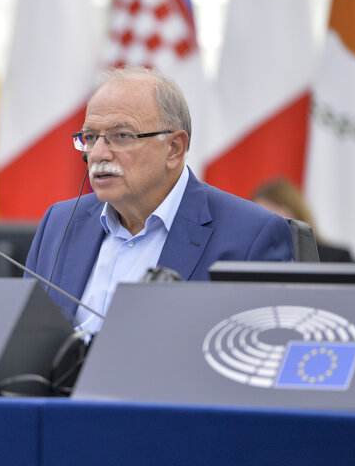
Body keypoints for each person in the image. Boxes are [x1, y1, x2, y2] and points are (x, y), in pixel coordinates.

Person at [25, 67, 293, 334]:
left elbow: (266, 355)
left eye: (121, 136)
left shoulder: (251, 236)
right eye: (91, 137)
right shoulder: (58, 224)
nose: (98, 154)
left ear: (174, 149)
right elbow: (27, 340)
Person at [251, 178, 353, 262]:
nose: (268, 224)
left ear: (298, 214)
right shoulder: (248, 260)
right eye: (262, 218)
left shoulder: (336, 259)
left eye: (275, 216)